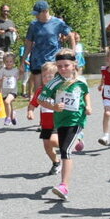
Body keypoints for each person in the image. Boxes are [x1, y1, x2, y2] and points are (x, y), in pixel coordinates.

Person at [38, 49, 90, 201]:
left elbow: (86, 93)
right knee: (65, 145)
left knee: (65, 150)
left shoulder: (81, 81)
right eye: (59, 66)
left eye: (66, 65)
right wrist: (53, 107)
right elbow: (41, 99)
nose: (62, 69)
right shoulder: (55, 82)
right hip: (61, 120)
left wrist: (88, 106)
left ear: (74, 65)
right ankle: (78, 141)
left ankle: (64, 186)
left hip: (76, 120)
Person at [24, 0, 75, 103]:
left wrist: (72, 52)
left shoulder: (58, 22)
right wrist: (23, 58)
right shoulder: (33, 25)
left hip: (52, 61)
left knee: (53, 88)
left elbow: (71, 36)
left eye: (37, 14)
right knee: (40, 91)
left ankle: (55, 113)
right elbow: (29, 42)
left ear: (45, 11)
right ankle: (44, 115)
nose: (36, 16)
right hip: (37, 60)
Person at [28, 61, 62, 175]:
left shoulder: (59, 91)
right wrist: (30, 111)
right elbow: (33, 104)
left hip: (57, 123)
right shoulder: (40, 91)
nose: (46, 79)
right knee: (47, 148)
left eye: (50, 76)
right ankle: (56, 162)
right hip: (45, 125)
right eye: (44, 76)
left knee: (53, 141)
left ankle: (71, 142)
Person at [0, 52, 22, 125]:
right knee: (8, 104)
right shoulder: (2, 70)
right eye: (7, 61)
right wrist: (1, 80)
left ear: (13, 62)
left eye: (11, 61)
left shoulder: (16, 70)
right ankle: (13, 115)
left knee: (7, 102)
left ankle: (8, 118)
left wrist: (22, 72)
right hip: (5, 91)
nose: (9, 63)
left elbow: (20, 78)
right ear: (4, 62)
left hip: (13, 91)